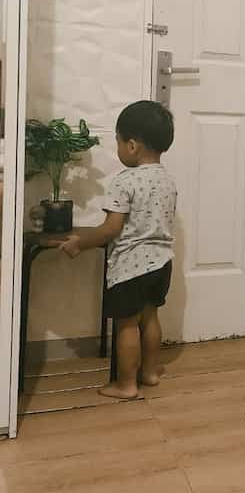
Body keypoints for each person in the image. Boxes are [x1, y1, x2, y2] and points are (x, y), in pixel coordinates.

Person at [58, 100, 177, 399]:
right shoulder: (167, 180)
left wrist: (80, 242)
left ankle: (126, 385)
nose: (118, 149)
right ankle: (150, 372)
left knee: (127, 325)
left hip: (132, 266)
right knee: (150, 317)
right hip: (162, 262)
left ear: (133, 145)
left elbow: (112, 229)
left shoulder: (125, 181)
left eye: (119, 142)